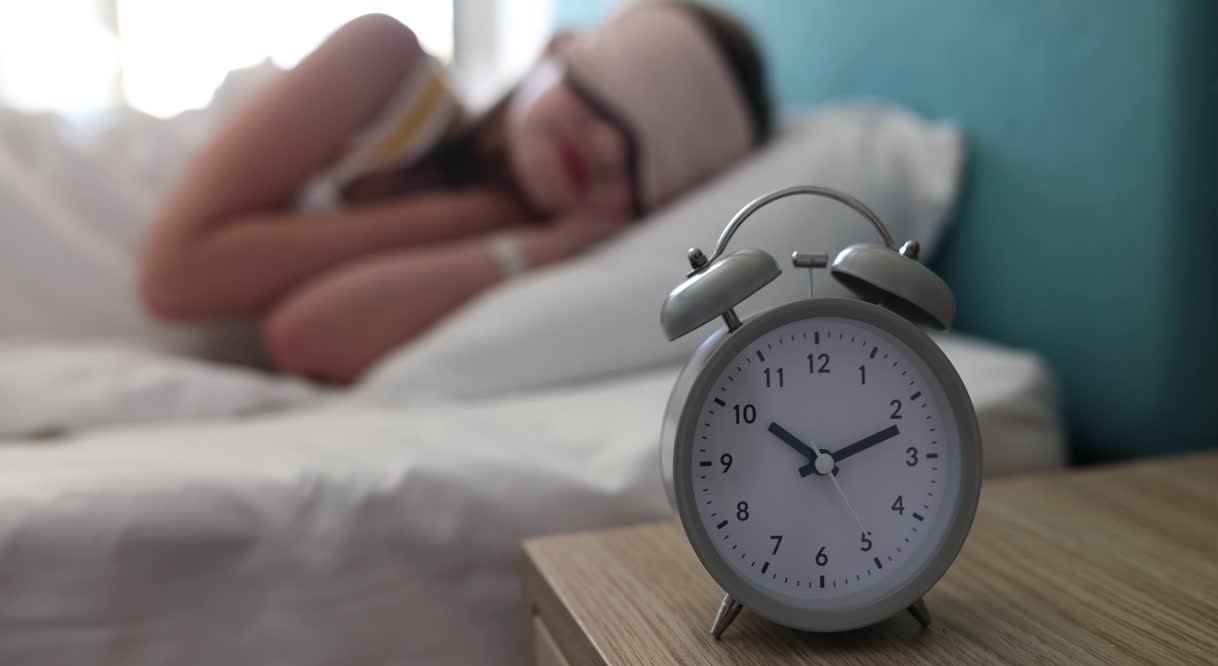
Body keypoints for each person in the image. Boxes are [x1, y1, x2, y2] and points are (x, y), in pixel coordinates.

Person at [139, 1, 772, 384]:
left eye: (642, 159)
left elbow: (301, 336)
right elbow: (173, 277)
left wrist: (527, 245)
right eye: (608, 97)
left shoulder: (518, 260)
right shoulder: (381, 60)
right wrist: (479, 215)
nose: (604, 148)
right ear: (557, 51)